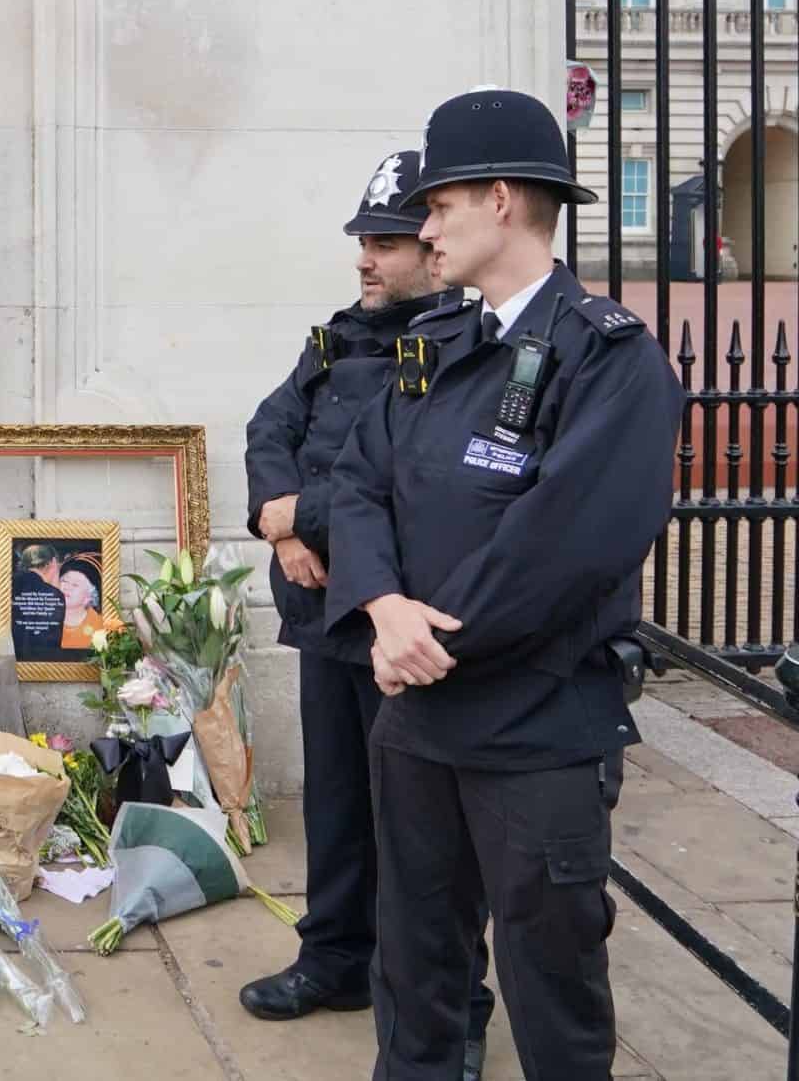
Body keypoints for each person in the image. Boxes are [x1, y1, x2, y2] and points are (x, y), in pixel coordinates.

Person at [326, 90, 683, 1081]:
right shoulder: (439, 340)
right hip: (418, 724)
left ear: (497, 199)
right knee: (417, 978)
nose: (421, 228)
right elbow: (357, 479)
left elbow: (564, 545)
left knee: (552, 994)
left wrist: (425, 640)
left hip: (535, 729)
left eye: (436, 206)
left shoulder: (611, 359)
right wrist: (381, 605)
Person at [237, 149, 494, 1074]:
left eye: (385, 242)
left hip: (400, 623)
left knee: (430, 836)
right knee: (338, 808)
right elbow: (274, 427)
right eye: (363, 242)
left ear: (433, 246)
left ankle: (454, 1005)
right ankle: (336, 960)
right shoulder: (340, 333)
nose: (366, 261)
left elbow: (390, 471)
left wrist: (296, 516)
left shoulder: (463, 344)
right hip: (323, 618)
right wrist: (281, 527)